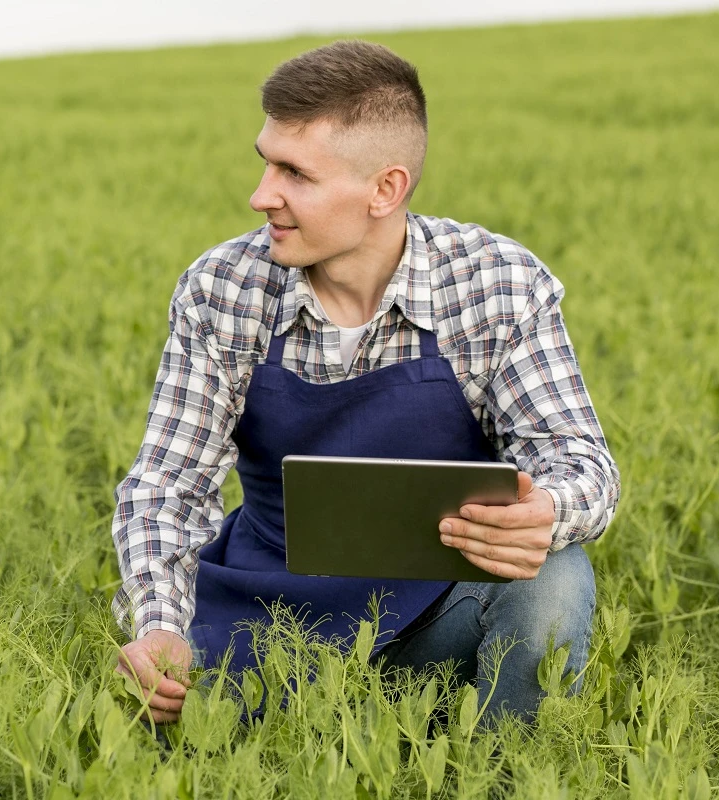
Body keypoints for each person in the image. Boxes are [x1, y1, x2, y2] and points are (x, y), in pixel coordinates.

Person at [111, 40, 620, 725]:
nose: (261, 195)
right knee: (201, 734)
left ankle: (506, 773)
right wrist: (160, 626)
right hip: (267, 620)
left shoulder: (497, 282)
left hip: (436, 609)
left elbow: (582, 462)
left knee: (556, 575)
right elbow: (167, 486)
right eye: (265, 161)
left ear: (386, 189)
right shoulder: (223, 289)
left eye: (295, 173)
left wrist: (546, 510)